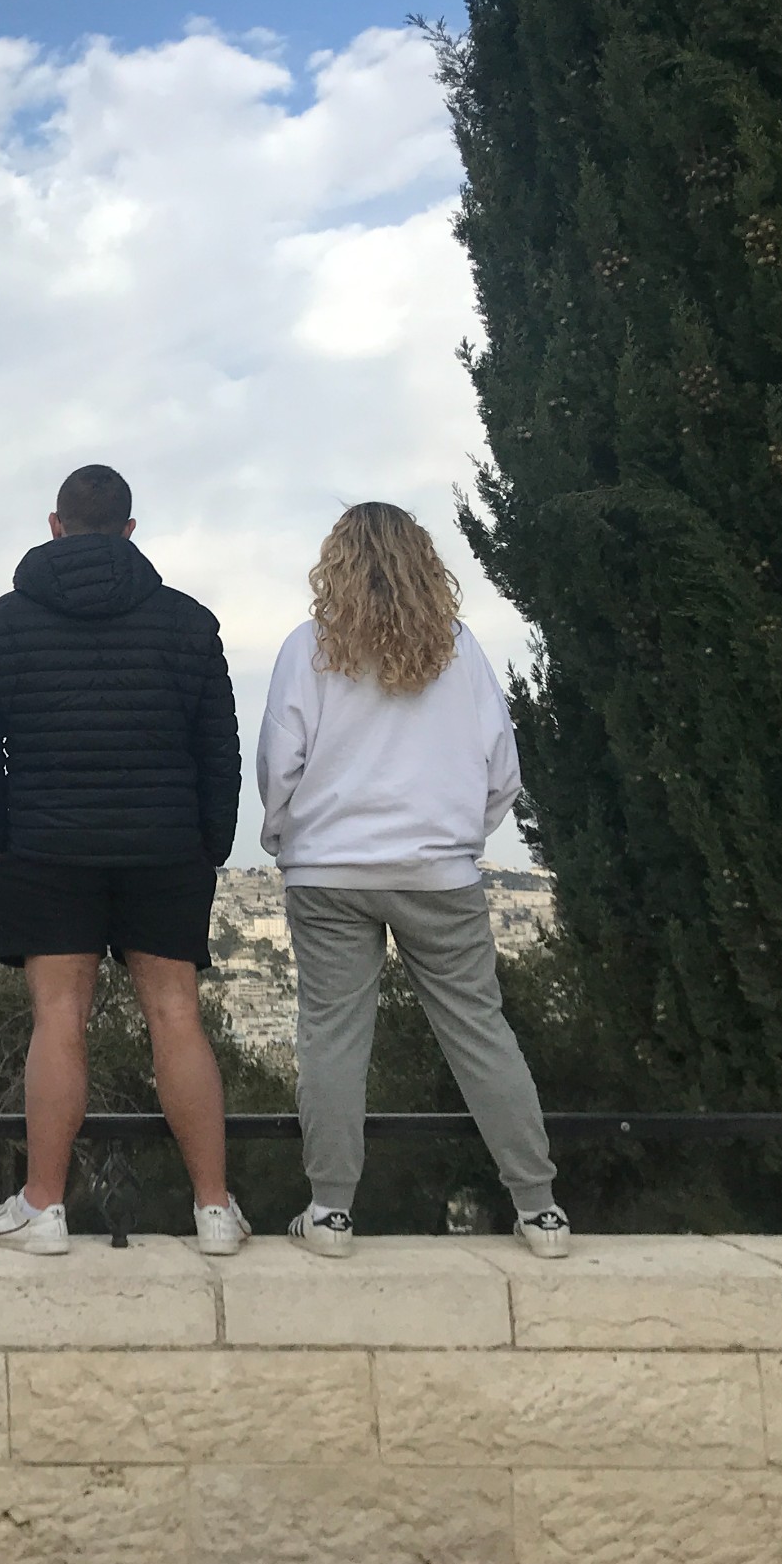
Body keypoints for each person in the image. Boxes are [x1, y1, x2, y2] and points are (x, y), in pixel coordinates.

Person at [257, 502, 570, 1259]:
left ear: (336, 563)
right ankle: (540, 1209)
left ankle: (330, 1212)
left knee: (332, 1037)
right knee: (479, 1032)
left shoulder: (309, 649)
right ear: (424, 562)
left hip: (329, 869)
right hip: (438, 870)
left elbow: (279, 764)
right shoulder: (460, 652)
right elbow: (503, 771)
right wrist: (459, 837)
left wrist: (287, 836)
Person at [0, 464, 249, 1256]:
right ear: (129, 531)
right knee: (176, 1014)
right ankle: (214, 1209)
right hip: (165, 848)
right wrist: (211, 845)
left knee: (58, 1018)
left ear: (55, 526)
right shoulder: (190, 624)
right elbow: (219, 750)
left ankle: (44, 1206)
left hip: (46, 847)